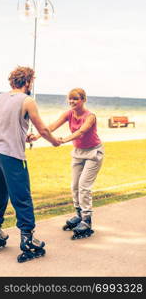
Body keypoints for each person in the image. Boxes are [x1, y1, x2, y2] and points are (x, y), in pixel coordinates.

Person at [0, 66, 61, 262]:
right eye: (31, 82)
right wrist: (54, 141)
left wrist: (22, 134)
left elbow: (3, 124)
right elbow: (43, 129)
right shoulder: (28, 101)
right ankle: (28, 240)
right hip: (12, 155)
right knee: (22, 197)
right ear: (27, 82)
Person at [27, 88, 104, 240]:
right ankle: (79, 215)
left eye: (75, 99)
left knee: (84, 186)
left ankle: (87, 220)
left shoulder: (90, 117)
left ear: (83, 100)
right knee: (74, 185)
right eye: (70, 99)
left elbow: (81, 132)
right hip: (78, 152)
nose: (71, 102)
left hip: (93, 153)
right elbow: (53, 126)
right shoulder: (69, 114)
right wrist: (36, 136)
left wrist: (62, 140)